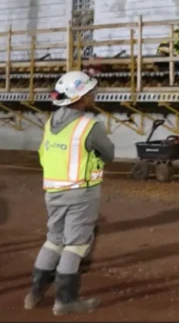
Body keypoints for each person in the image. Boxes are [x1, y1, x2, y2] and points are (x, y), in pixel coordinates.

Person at [24, 70, 114, 315]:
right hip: (81, 193)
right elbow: (109, 154)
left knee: (54, 240)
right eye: (90, 91)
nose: (94, 95)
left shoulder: (51, 122)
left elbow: (44, 154)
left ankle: (34, 294)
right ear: (81, 98)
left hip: (53, 191)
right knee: (75, 245)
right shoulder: (89, 125)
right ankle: (65, 301)